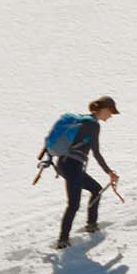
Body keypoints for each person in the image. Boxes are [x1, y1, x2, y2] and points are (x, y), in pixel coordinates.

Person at [54, 97, 120, 249]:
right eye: (110, 111)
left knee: (95, 190)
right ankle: (63, 240)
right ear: (103, 109)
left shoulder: (83, 120)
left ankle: (91, 224)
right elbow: (96, 152)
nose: (110, 116)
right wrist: (109, 172)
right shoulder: (92, 124)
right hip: (72, 165)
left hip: (64, 164)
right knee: (74, 204)